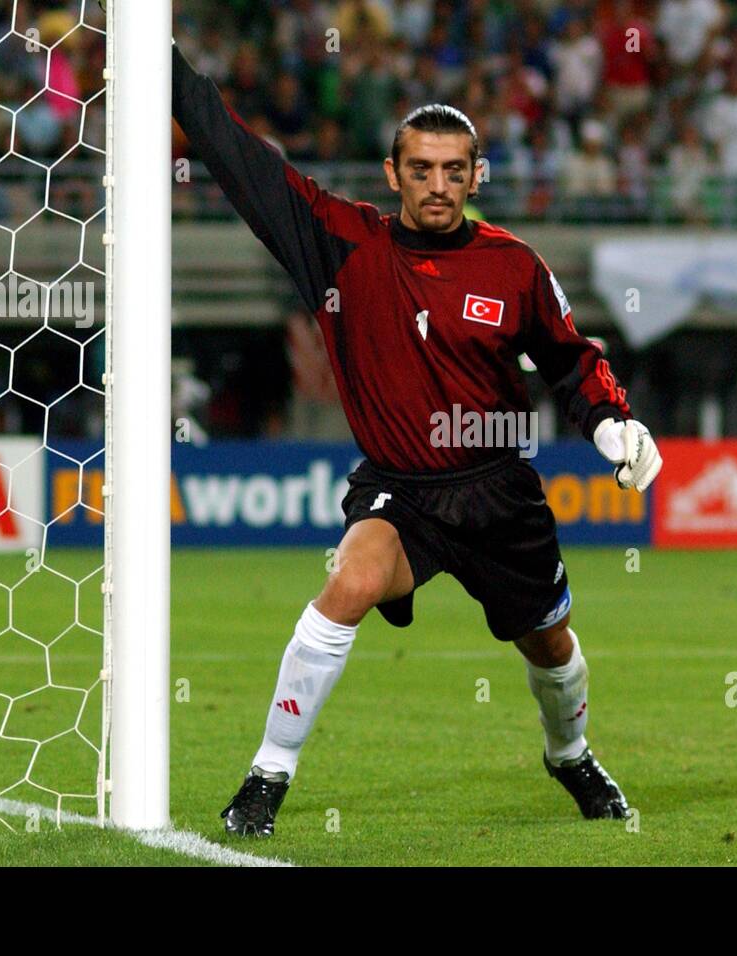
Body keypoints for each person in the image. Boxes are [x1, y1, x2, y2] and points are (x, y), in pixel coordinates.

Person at [171, 42, 663, 837]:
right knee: (349, 585)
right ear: (394, 174)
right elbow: (239, 156)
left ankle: (569, 754)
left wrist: (613, 422)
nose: (438, 185)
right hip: (399, 487)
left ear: (476, 177)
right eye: (422, 168)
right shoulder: (341, 243)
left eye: (454, 170)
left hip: (500, 493)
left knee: (550, 644)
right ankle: (267, 777)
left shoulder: (515, 266)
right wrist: (164, 67)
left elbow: (572, 360)